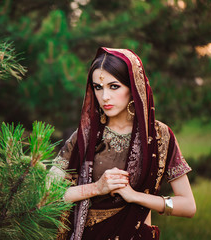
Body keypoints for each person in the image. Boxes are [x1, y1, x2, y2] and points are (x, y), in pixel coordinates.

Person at [51, 47, 196, 240]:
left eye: (114, 86)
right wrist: (96, 188)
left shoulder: (160, 136)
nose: (104, 97)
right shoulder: (85, 136)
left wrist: (135, 196)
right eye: (97, 87)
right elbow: (48, 193)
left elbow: (188, 206)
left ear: (134, 87)